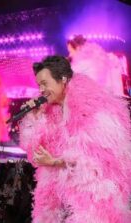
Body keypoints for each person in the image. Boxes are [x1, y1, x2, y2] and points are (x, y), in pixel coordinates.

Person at [19, 55, 131, 222]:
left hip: (97, 197)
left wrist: (56, 162)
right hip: (63, 195)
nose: (41, 90)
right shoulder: (51, 110)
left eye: (45, 83)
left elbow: (96, 160)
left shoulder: (92, 107)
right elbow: (34, 150)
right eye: (39, 85)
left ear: (63, 79)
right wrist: (35, 117)